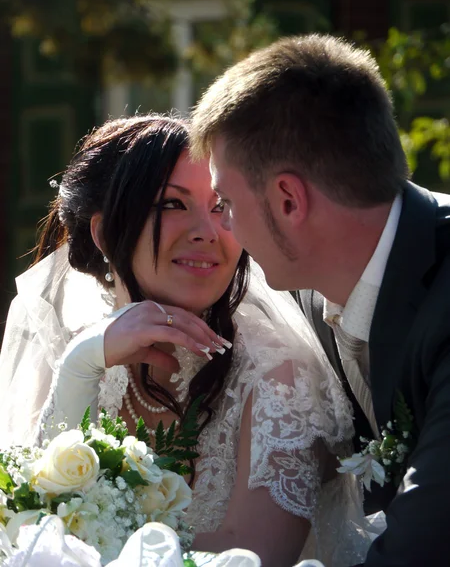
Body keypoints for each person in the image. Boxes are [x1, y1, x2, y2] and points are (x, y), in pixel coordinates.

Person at [0, 114, 377, 566]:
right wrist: (80, 366)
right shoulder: (68, 346)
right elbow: (28, 517)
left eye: (221, 207)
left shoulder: (277, 371)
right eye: (173, 205)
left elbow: (257, 556)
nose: (206, 231)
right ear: (103, 233)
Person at [189, 33, 450, 566]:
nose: (222, 225)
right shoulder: (308, 302)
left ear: (288, 200)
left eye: (226, 202)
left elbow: (426, 542)